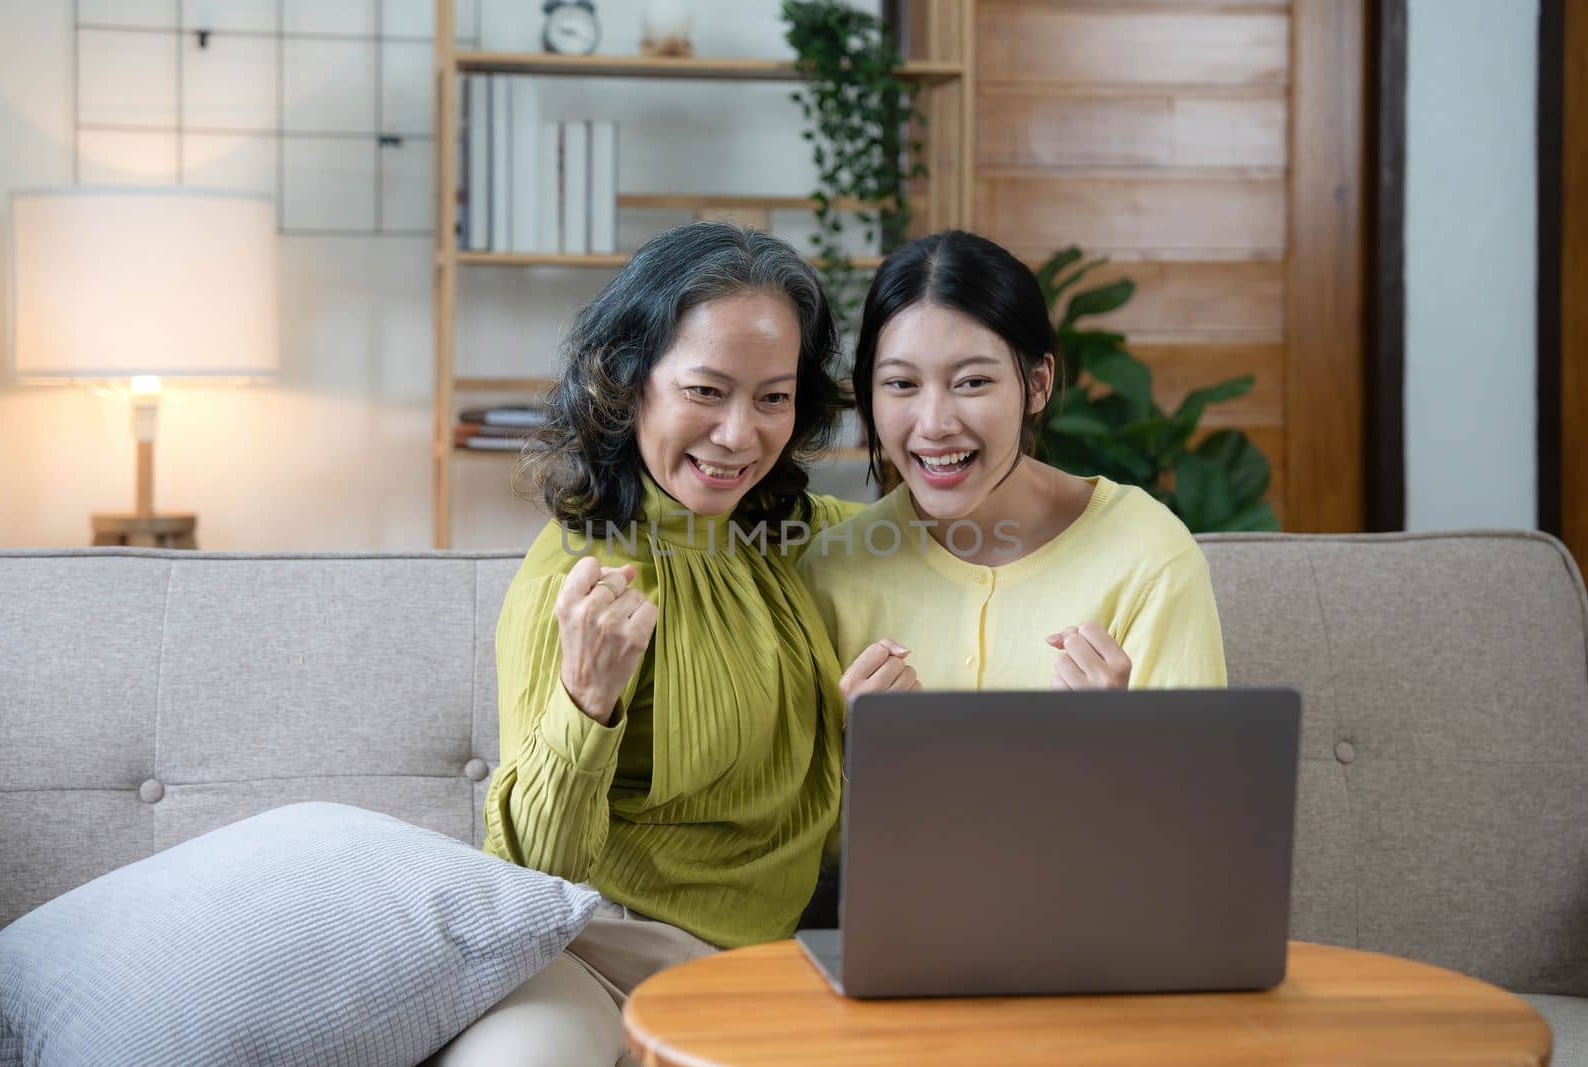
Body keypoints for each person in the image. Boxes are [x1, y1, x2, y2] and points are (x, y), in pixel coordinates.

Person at [437, 222, 859, 1066]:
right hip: (594, 957)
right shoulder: (579, 575)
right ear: (628, 385)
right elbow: (526, 875)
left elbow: (969, 534)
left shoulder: (798, 538)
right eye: (706, 390)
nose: (740, 434)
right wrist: (584, 705)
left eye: (773, 397)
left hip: (764, 969)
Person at [798, 230, 1227, 701]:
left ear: (1038, 384)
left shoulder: (1149, 555)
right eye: (901, 384)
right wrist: (857, 748)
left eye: (972, 381)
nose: (935, 423)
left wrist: (1116, 740)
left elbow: (1196, 775)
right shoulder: (833, 569)